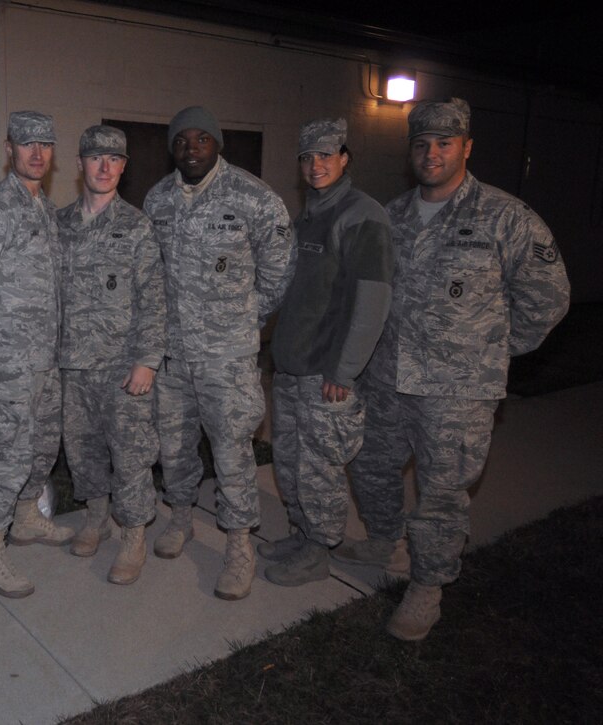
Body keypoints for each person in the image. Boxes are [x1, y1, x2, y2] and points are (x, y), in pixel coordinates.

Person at [341, 98, 570, 640]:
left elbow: (549, 297)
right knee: (370, 466)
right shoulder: (390, 216)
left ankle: (427, 584)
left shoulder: (505, 217)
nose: (432, 153)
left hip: (457, 392)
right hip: (387, 378)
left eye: (445, 143)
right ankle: (382, 541)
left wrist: (492, 349)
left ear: (466, 147)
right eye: (422, 144)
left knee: (443, 492)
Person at [143, 106, 294, 600]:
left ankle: (238, 546)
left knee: (232, 451)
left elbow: (278, 272)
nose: (191, 148)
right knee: (174, 444)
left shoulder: (253, 197)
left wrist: (244, 320)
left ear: (217, 143)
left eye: (201, 139)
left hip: (225, 358)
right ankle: (182, 517)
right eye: (182, 141)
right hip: (171, 355)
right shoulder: (158, 199)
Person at [260, 118, 394, 586]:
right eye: (307, 157)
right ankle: (302, 535)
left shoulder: (362, 215)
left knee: (321, 468)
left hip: (326, 374)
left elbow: (372, 302)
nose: (315, 165)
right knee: (293, 462)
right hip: (293, 369)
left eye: (325, 155)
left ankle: (318, 552)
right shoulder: (308, 215)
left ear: (344, 159)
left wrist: (346, 369)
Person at [0, 111, 72, 598]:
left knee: (42, 447)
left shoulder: (48, 211)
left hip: (47, 361)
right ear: (9, 149)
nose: (37, 154)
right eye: (27, 145)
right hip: (9, 363)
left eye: (45, 144)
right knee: (6, 456)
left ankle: (25, 519)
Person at [57, 125, 165, 585]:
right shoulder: (58, 223)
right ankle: (96, 516)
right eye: (95, 157)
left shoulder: (137, 226)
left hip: (122, 367)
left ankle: (134, 534)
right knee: (81, 450)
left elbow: (155, 299)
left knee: (131, 454)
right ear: (80, 163)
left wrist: (147, 360)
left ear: (124, 167)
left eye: (114, 159)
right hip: (70, 365)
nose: (104, 166)